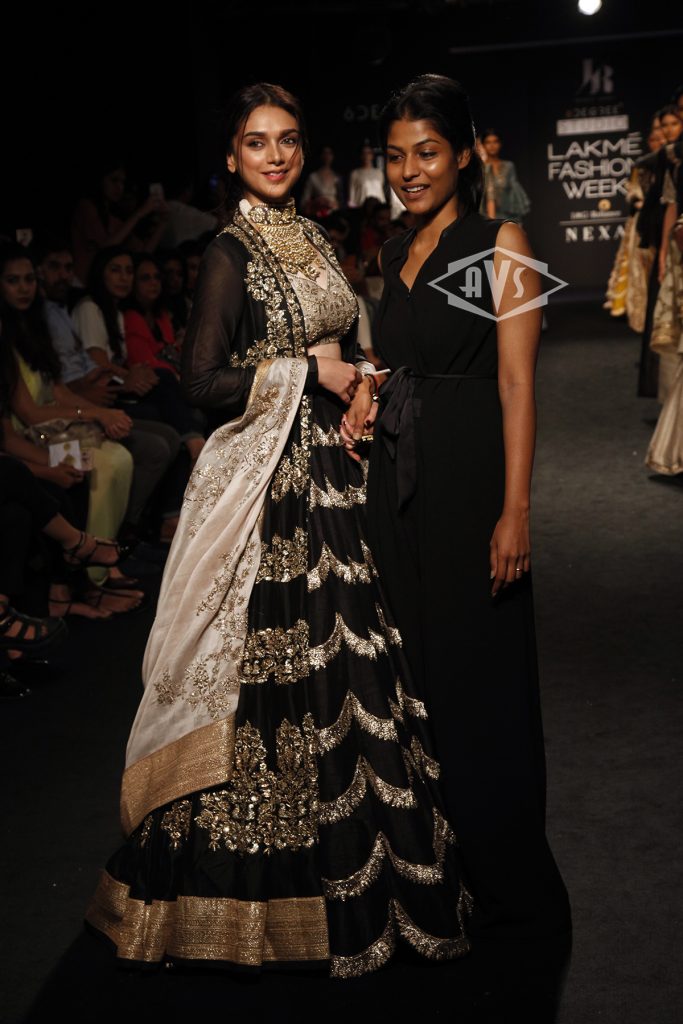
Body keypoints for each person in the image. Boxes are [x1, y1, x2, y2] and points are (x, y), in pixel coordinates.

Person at [85, 81, 473, 978]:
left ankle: (372, 884)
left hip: (338, 473)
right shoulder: (230, 250)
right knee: (280, 683)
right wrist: (309, 372)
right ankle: (255, 901)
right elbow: (200, 380)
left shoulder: (314, 237)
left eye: (288, 140)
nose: (274, 155)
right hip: (273, 495)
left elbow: (344, 344)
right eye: (256, 142)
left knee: (357, 672)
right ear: (232, 156)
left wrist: (358, 380)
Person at [343, 74, 571, 965]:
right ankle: (444, 877)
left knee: (482, 684)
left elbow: (516, 383)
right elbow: (393, 364)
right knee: (421, 685)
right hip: (396, 490)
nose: (409, 170)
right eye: (396, 156)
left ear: (464, 154)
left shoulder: (496, 241)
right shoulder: (395, 251)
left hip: (473, 484)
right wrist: (365, 393)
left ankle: (511, 884)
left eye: (427, 153)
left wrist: (516, 510)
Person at [480, 129, 530, 223]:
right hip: (485, 217)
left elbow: (515, 194)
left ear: (500, 144)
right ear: (483, 145)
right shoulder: (480, 169)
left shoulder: (508, 166)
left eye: (495, 142)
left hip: (508, 216)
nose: (492, 146)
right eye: (488, 142)